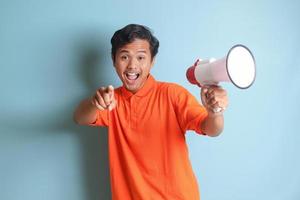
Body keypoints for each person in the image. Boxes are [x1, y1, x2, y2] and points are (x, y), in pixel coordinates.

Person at [73, 24, 229, 200]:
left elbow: (212, 129)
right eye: (124, 57)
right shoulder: (111, 99)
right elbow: (80, 117)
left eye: (141, 57)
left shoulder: (172, 94)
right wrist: (95, 102)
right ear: (114, 60)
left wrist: (215, 112)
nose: (132, 65)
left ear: (152, 61)